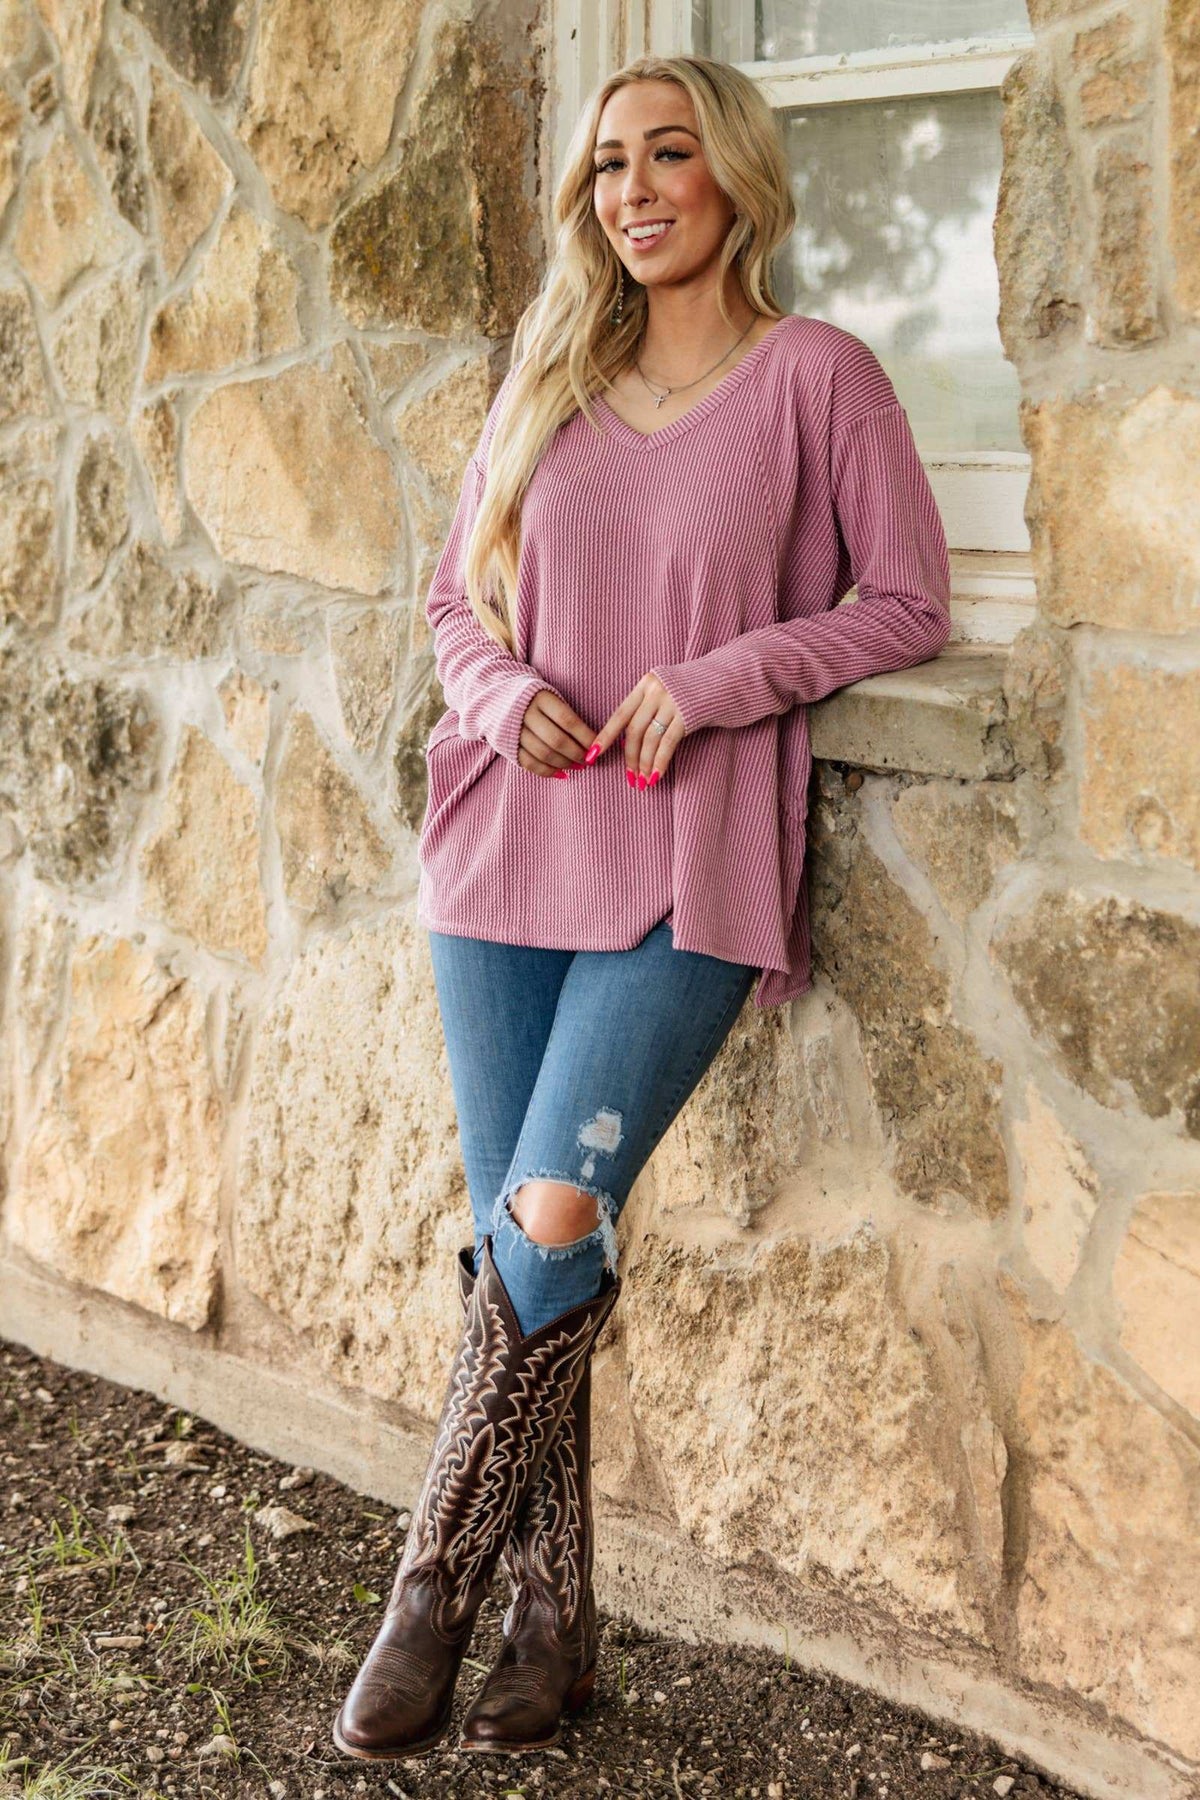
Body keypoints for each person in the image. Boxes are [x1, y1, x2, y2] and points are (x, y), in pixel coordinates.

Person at [332, 50, 951, 1764]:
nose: (634, 190)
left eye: (668, 155)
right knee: (529, 1260)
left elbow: (908, 601)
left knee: (545, 1222)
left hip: (687, 860)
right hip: (504, 851)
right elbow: (453, 607)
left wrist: (729, 675)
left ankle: (429, 1588)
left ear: (734, 174)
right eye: (610, 164)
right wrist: (497, 693)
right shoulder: (552, 369)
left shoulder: (819, 377)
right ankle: (557, 1629)